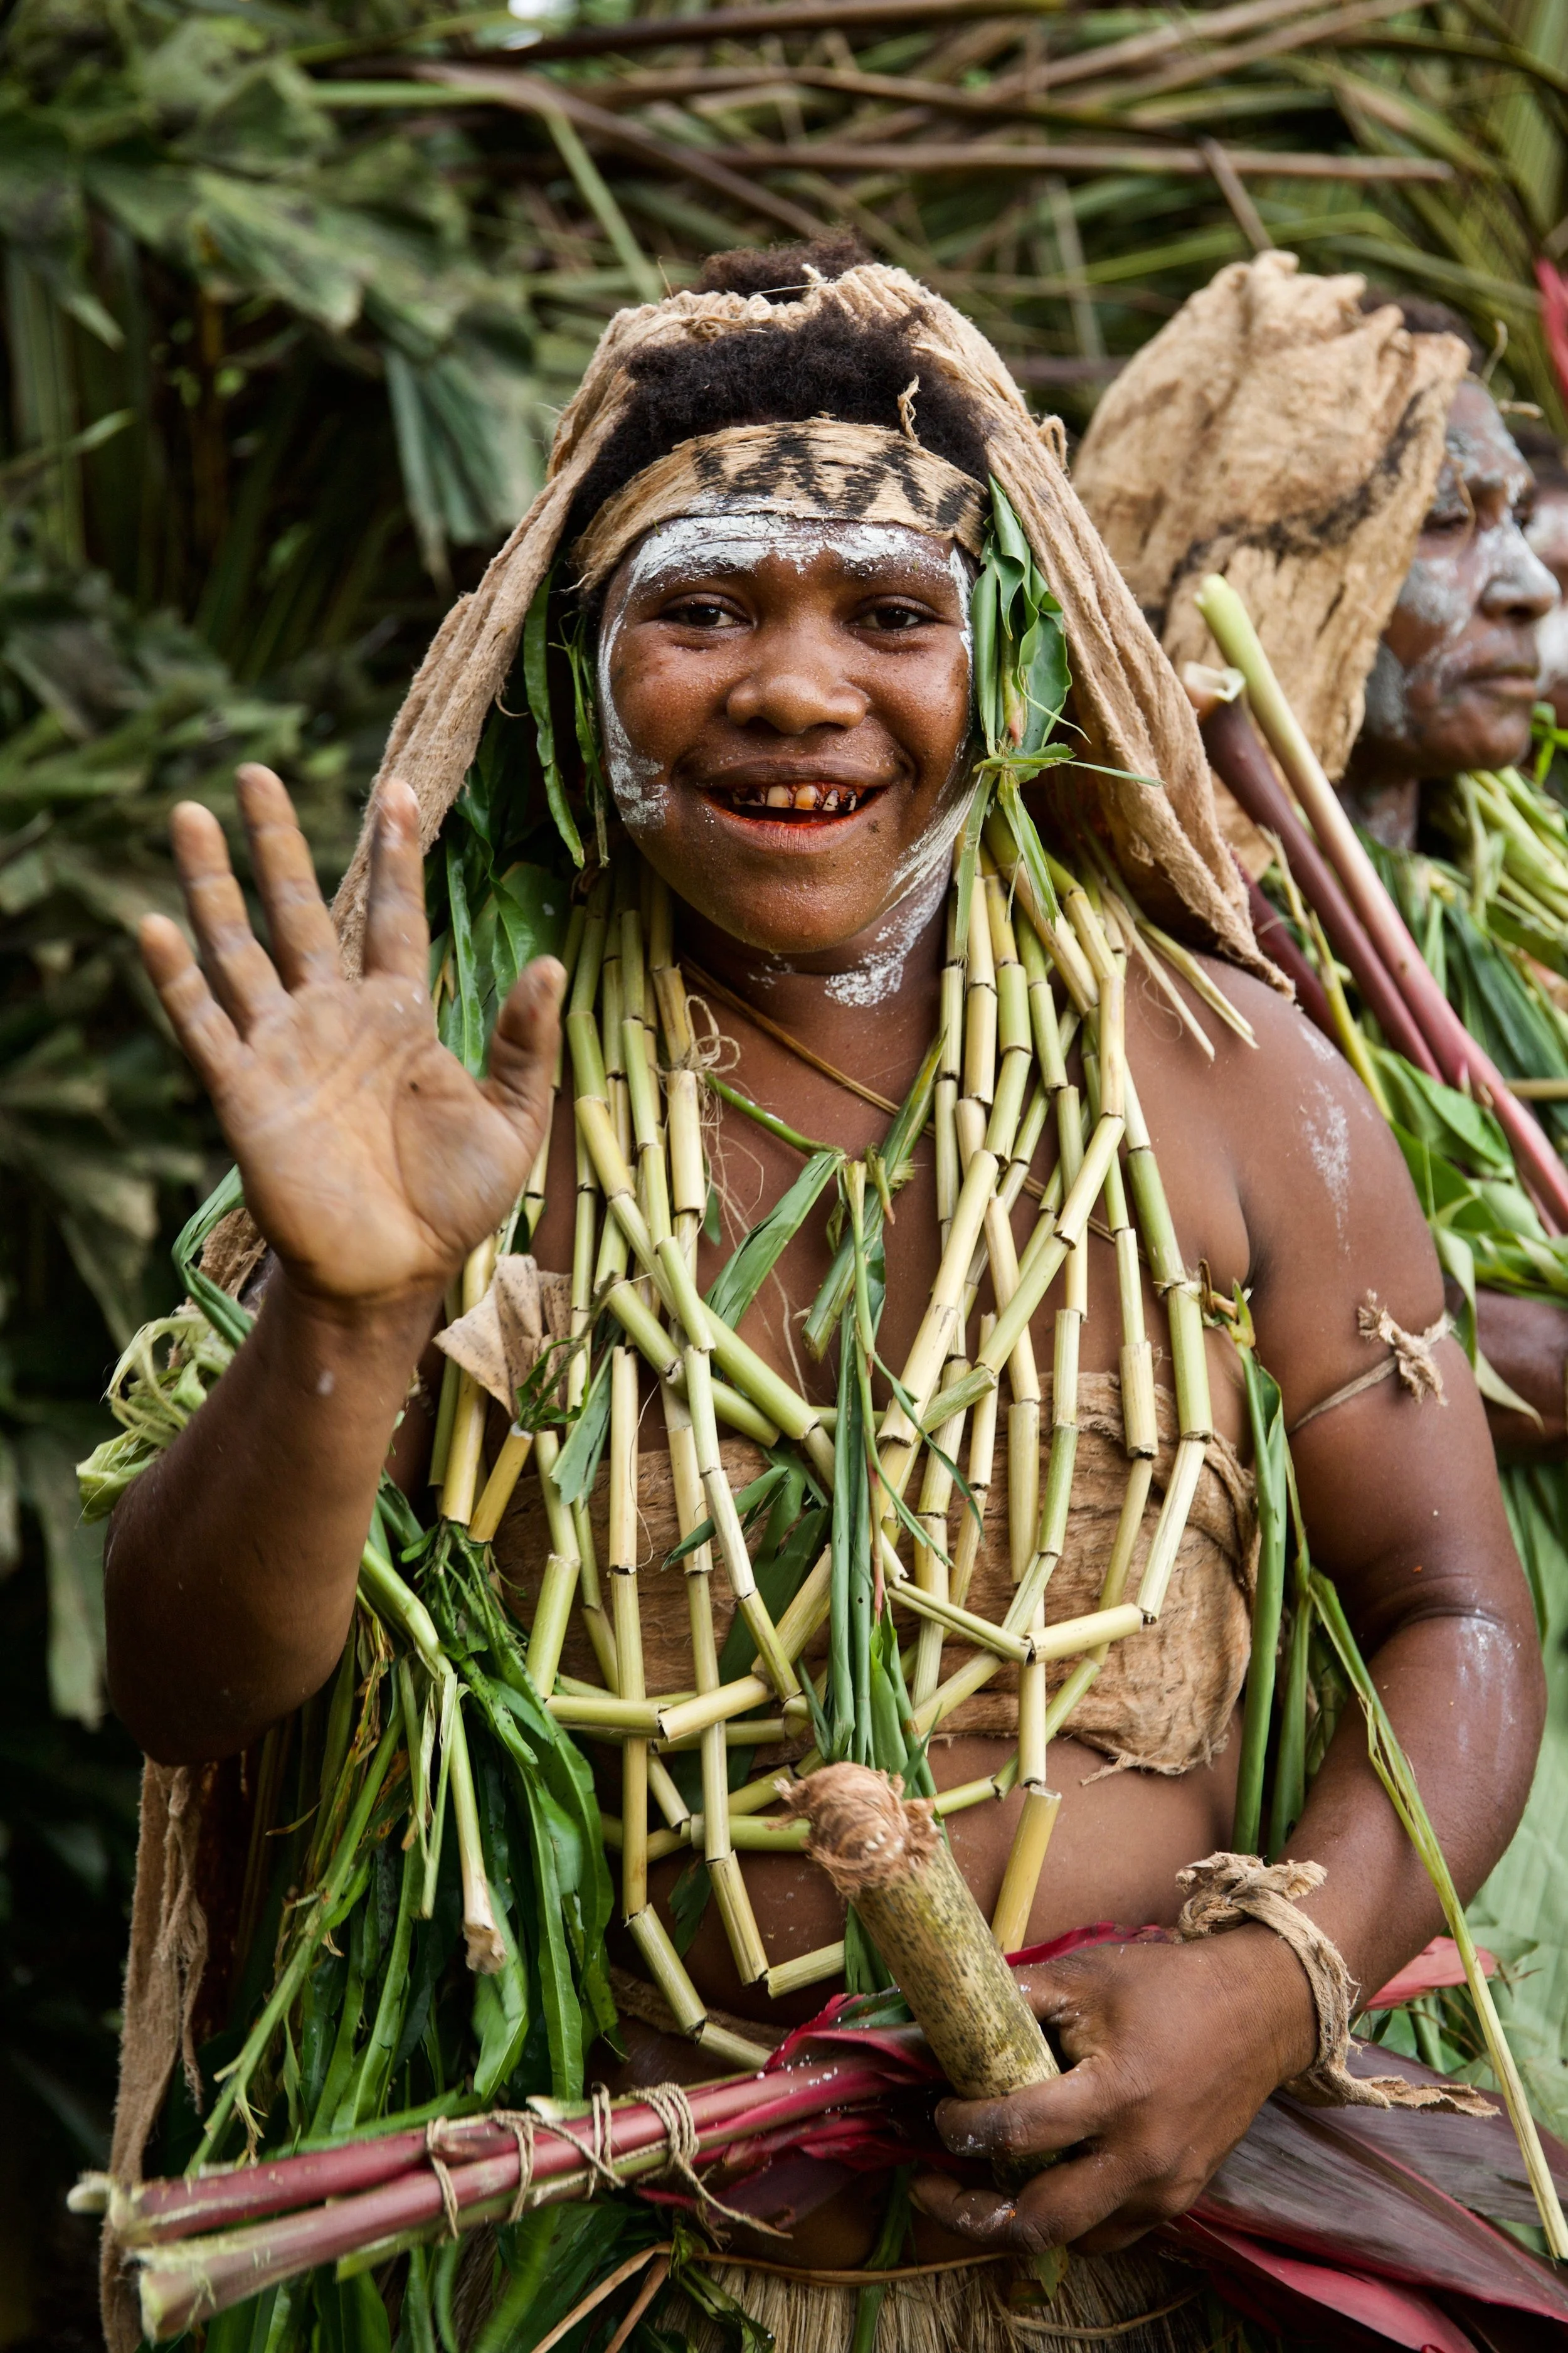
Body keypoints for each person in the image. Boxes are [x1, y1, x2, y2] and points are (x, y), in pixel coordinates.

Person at [98, 244, 1546, 2353]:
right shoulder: (443, 1101)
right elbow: (188, 1691)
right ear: (576, 669)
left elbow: (1457, 1612)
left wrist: (1269, 1977)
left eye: (890, 612)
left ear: (1013, 666)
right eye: (703, 611)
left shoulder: (1227, 1080)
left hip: (1157, 2277)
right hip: (613, 2288)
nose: (797, 689)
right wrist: (354, 1313)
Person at [1076, 248, 1568, 2143]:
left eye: (1517, 516)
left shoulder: (1505, 904)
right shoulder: (1159, 970)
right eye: (1446, 525)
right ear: (1269, 572)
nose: (1524, 580)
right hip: (1327, 1706)